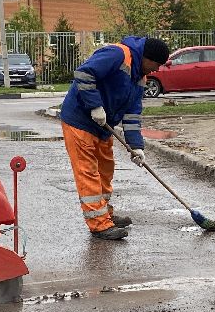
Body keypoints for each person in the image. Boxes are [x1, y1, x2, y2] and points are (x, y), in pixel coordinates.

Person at [59, 35, 171, 240]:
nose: (156, 70)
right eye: (156, 64)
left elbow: (132, 114)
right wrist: (94, 105)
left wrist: (137, 147)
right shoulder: (117, 54)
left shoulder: (140, 78)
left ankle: (105, 214)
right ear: (146, 57)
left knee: (105, 169)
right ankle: (99, 225)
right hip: (80, 120)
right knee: (88, 172)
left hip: (103, 127)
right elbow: (83, 73)